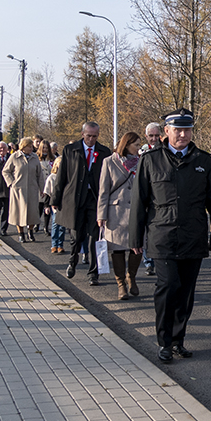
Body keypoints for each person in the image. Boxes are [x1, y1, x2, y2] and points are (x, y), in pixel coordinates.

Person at [129, 108, 211, 363]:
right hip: (162, 236)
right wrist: (135, 237)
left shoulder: (203, 161)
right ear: (167, 132)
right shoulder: (151, 160)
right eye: (177, 130)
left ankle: (177, 339)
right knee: (167, 286)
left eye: (187, 130)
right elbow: (139, 202)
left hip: (193, 236)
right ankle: (163, 341)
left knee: (185, 291)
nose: (183, 134)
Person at [50, 122, 112, 285]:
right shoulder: (70, 150)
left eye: (94, 136)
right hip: (76, 199)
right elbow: (61, 177)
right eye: (88, 136)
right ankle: (72, 261)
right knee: (76, 237)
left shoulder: (104, 152)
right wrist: (55, 199)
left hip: (94, 199)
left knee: (93, 238)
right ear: (83, 134)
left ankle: (93, 273)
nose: (91, 139)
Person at [98, 131, 143, 300]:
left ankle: (131, 276)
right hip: (115, 212)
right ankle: (120, 284)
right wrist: (101, 215)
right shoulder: (109, 162)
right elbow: (103, 191)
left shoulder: (141, 162)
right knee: (117, 249)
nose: (139, 148)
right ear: (127, 144)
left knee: (137, 247)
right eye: (136, 145)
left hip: (136, 211)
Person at [3, 137, 45, 243]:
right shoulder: (14, 157)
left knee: (33, 212)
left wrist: (42, 188)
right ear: (23, 147)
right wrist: (11, 183)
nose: (31, 148)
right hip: (18, 190)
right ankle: (21, 233)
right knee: (19, 212)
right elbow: (5, 171)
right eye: (29, 146)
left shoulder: (35, 157)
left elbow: (39, 174)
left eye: (32, 146)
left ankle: (30, 231)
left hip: (32, 189)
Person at [140, 122, 162, 276]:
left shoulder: (165, 151)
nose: (154, 139)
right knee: (146, 233)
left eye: (156, 135)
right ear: (146, 136)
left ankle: (158, 260)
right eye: (151, 136)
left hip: (159, 197)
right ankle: (148, 262)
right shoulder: (141, 152)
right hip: (146, 196)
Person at [43, 155, 66, 253]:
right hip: (54, 204)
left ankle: (60, 244)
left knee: (62, 226)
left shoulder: (66, 177)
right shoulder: (51, 177)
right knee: (55, 224)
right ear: (55, 165)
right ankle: (54, 244)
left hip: (64, 204)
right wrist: (46, 206)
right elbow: (47, 193)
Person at [37, 140, 56, 233]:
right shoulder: (36, 158)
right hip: (39, 185)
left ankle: (46, 226)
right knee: (39, 206)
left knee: (47, 205)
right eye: (43, 147)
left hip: (49, 185)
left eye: (46, 148)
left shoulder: (53, 158)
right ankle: (37, 223)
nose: (45, 149)